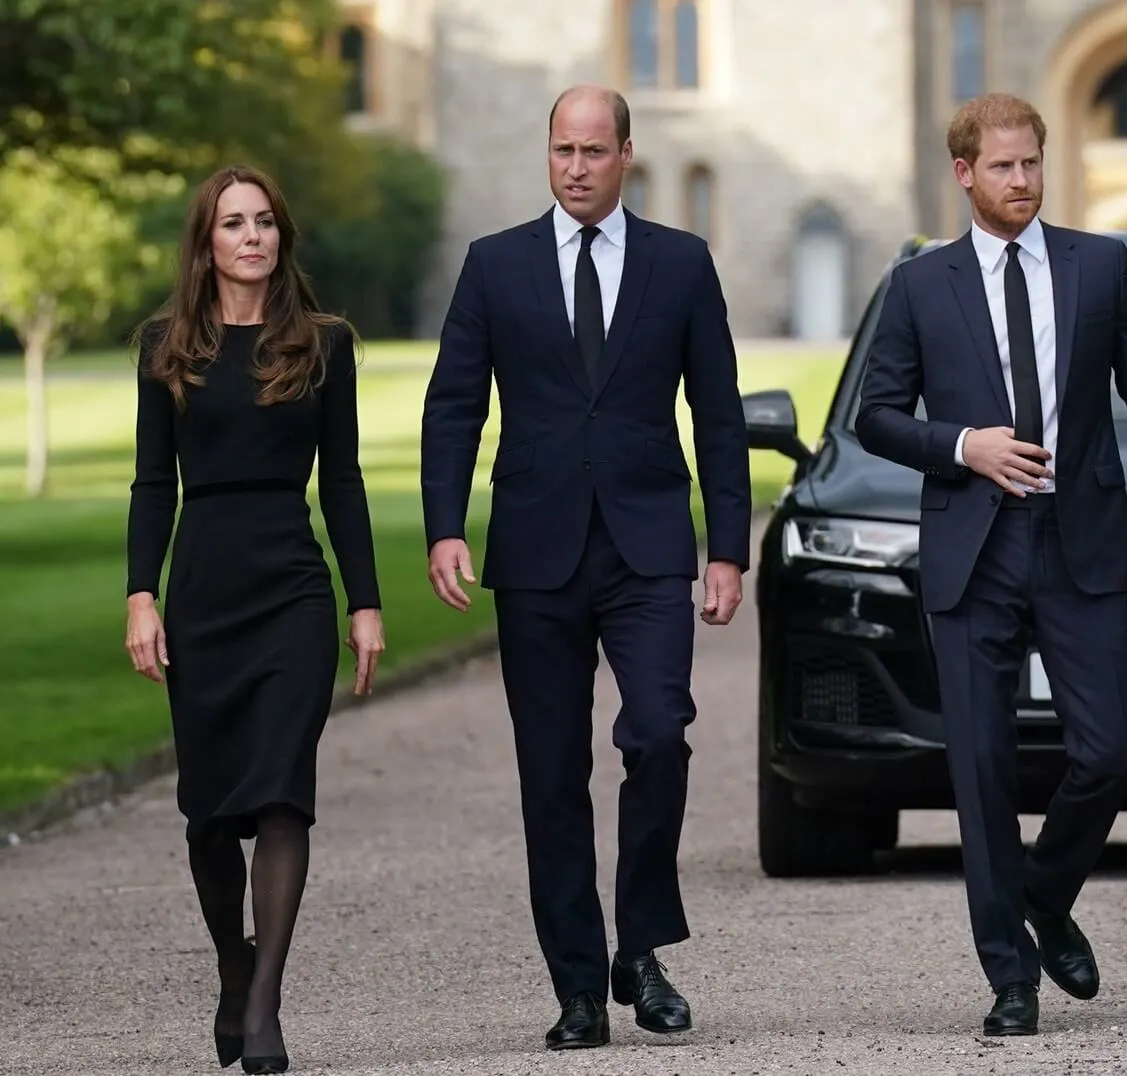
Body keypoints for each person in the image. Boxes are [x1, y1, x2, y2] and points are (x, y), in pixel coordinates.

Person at [855, 92, 1127, 1036]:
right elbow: (873, 416)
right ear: (964, 173)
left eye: (1032, 164)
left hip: (1079, 543)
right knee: (980, 768)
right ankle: (1010, 977)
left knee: (1115, 745)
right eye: (1003, 167)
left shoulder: (1102, 265)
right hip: (973, 549)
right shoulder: (922, 285)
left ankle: (1043, 896)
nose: (1022, 181)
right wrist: (964, 444)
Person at [419, 84, 751, 1050]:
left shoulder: (682, 264)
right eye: (563, 150)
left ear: (626, 156)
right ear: (548, 154)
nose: (576, 167)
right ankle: (576, 986)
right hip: (535, 551)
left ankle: (640, 950)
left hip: (648, 546)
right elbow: (453, 409)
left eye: (594, 151)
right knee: (551, 773)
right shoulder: (494, 266)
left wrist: (725, 546)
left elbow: (720, 414)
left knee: (658, 736)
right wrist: (446, 526)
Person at [124, 164, 385, 1074]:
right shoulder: (165, 346)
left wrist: (364, 603)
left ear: (282, 238)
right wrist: (140, 596)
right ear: (206, 243)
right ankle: (231, 970)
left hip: (292, 595)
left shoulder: (323, 343)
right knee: (207, 816)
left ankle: (265, 1002)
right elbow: (154, 482)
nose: (251, 237)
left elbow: (344, 483)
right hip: (201, 593)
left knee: (282, 795)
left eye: (265, 222)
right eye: (232, 223)